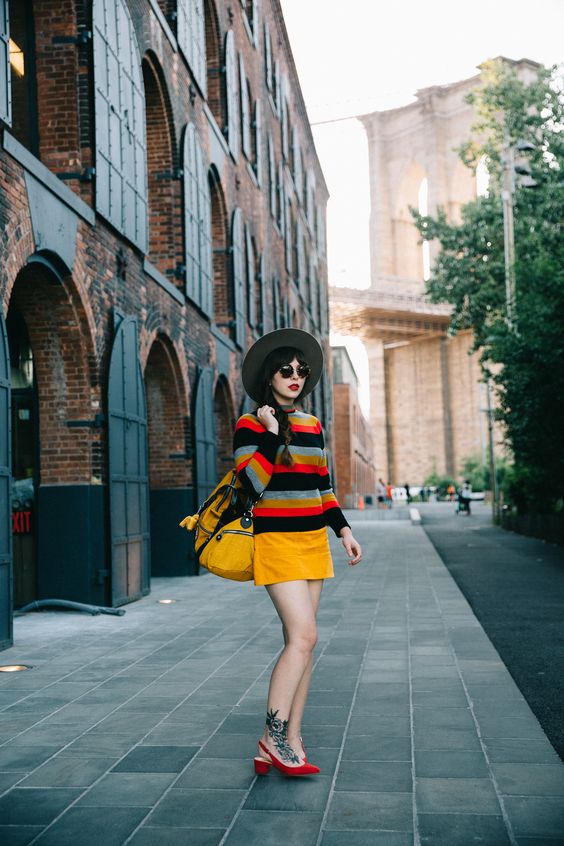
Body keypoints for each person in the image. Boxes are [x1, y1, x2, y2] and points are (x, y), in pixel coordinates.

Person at [234, 329, 362, 778]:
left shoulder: (312, 425)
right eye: (286, 370)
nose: (295, 376)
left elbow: (322, 486)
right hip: (276, 542)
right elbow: (247, 490)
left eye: (301, 371)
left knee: (304, 644)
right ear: (269, 376)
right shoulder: (250, 425)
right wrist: (270, 435)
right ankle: (272, 737)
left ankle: (292, 738)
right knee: (303, 637)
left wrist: (343, 529)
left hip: (313, 543)